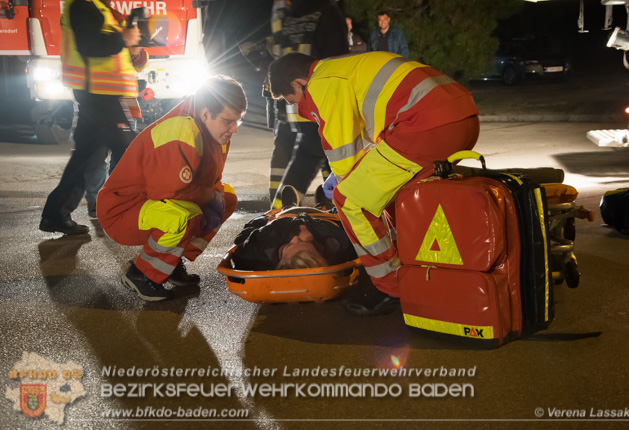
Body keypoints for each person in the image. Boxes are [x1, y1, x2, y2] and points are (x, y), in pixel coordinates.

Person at [268, 52, 479, 315]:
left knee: (351, 201)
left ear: (300, 83)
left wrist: (344, 184)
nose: (298, 106)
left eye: (294, 99)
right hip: (462, 118)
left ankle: (391, 288)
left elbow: (343, 153)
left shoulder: (322, 82)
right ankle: (416, 267)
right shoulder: (344, 68)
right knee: (391, 195)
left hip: (426, 127)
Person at [96, 76, 247, 302]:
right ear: (206, 113)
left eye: (238, 121)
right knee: (183, 216)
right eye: (228, 121)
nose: (234, 129)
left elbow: (211, 180)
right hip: (123, 211)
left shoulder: (213, 128)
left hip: (150, 204)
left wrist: (212, 196)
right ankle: (140, 274)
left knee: (227, 199)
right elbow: (168, 194)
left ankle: (171, 262)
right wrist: (207, 195)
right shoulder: (180, 131)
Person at [39, 0, 147, 235]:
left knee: (89, 158)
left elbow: (115, 53)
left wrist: (133, 48)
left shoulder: (100, 8)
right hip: (100, 95)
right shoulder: (83, 5)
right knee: (129, 151)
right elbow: (90, 45)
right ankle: (124, 208)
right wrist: (123, 39)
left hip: (103, 94)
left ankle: (56, 214)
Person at [266, 0, 349, 209]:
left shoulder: (291, 15)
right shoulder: (327, 13)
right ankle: (280, 217)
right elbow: (337, 63)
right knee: (327, 159)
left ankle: (279, 215)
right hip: (316, 104)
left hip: (297, 106)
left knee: (319, 159)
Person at [232, 186, 356, 271]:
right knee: (331, 210)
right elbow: (345, 226)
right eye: (307, 243)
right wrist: (315, 231)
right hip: (322, 216)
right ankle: (323, 204)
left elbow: (244, 235)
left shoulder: (258, 251)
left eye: (289, 245)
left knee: (287, 210)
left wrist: (265, 219)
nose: (296, 238)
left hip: (287, 215)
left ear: (280, 261)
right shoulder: (338, 248)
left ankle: (288, 205)